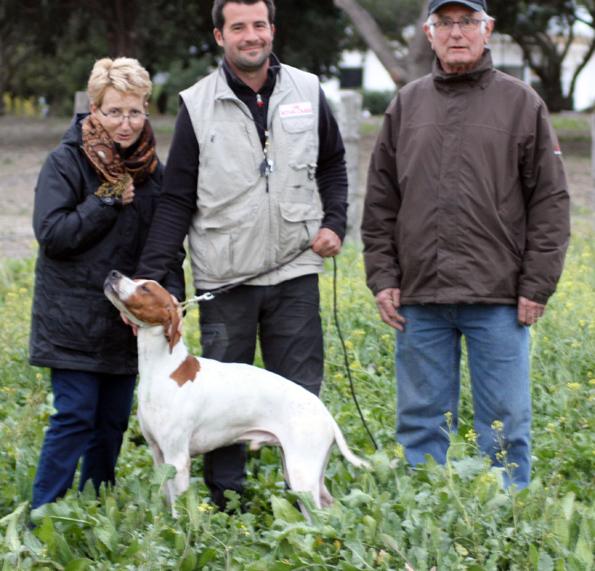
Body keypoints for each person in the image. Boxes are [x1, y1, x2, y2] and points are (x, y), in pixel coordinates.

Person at [135, 0, 348, 509]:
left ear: (272, 29)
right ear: (219, 36)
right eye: (238, 27)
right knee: (218, 402)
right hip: (225, 279)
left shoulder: (308, 90)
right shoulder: (196, 103)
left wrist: (334, 222)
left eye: (258, 25)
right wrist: (147, 279)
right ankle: (227, 503)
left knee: (298, 391)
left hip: (295, 270)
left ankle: (299, 503)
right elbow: (176, 199)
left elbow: (334, 166)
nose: (250, 36)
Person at [361, 0, 570, 488]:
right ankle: (425, 511)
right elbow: (380, 203)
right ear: (429, 33)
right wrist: (384, 278)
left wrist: (537, 285)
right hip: (419, 296)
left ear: (488, 30)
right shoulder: (406, 104)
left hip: (498, 297)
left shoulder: (522, 103)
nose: (457, 33)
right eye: (445, 23)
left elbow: (551, 203)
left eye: (468, 22)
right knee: (420, 421)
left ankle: (506, 518)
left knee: (504, 424)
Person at [29, 57, 184, 510]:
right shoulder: (66, 162)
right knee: (75, 416)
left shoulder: (154, 170)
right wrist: (108, 198)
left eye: (135, 112)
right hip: (72, 317)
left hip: (127, 322)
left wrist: (168, 295)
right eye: (114, 111)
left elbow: (166, 245)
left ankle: (95, 509)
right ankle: (43, 516)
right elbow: (52, 235)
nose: (125, 124)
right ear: (93, 108)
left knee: (112, 421)